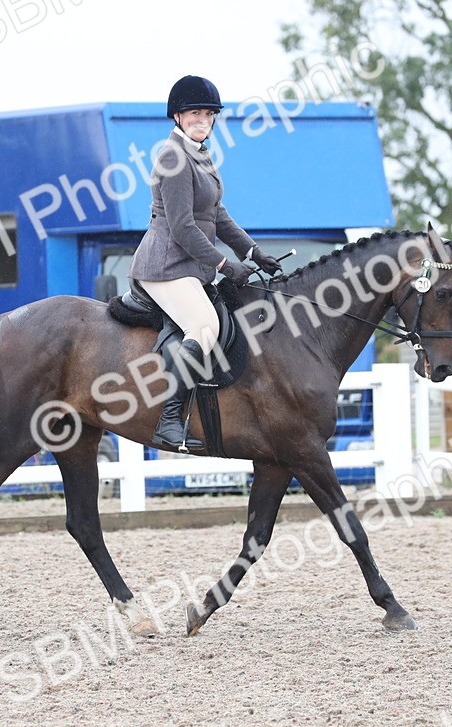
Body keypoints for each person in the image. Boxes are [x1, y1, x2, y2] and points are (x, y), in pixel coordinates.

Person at [128, 75, 284, 452]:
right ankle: (168, 421)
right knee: (204, 324)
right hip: (165, 265)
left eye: (208, 113)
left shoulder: (199, 153)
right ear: (178, 117)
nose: (202, 119)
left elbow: (218, 215)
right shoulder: (172, 156)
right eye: (194, 112)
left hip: (189, 265)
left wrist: (252, 251)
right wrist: (226, 266)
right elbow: (182, 226)